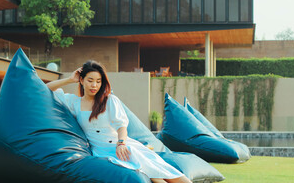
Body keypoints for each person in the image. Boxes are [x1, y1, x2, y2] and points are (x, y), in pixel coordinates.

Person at [47, 60, 192, 183]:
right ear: (81, 80)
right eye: (90, 81)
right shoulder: (73, 102)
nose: (94, 86)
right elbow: (45, 89)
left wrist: (121, 143)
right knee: (151, 173)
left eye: (98, 81)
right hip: (101, 150)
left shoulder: (109, 100)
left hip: (121, 145)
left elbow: (121, 126)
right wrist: (69, 79)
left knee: (162, 170)